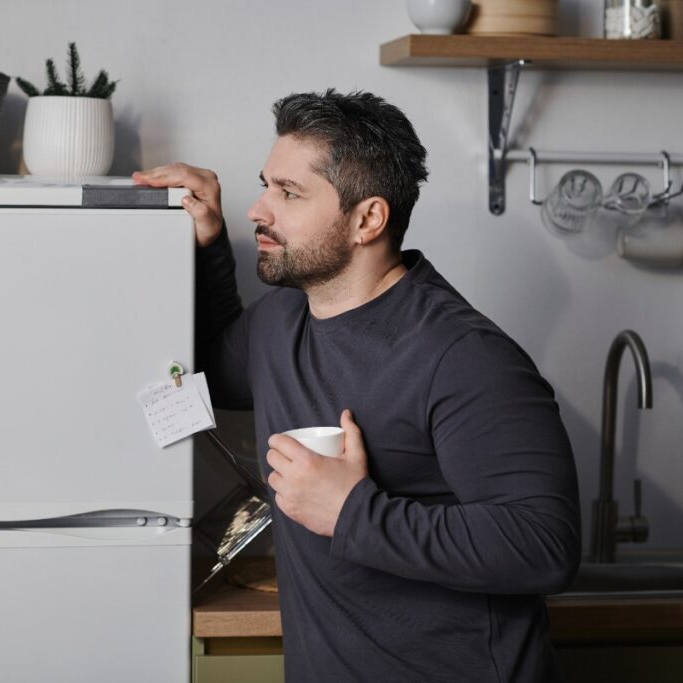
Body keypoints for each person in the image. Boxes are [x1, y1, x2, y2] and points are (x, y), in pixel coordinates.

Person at [134, 89, 581, 682]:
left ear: (368, 219)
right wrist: (210, 242)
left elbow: (544, 545)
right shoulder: (279, 323)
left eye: (289, 194)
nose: (258, 210)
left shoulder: (463, 356)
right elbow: (208, 375)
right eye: (267, 185)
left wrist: (352, 514)